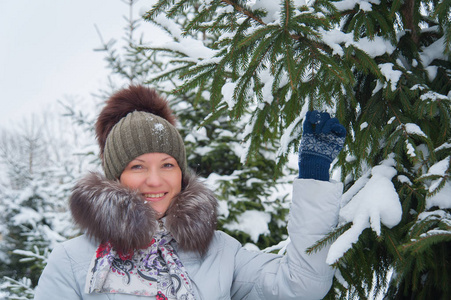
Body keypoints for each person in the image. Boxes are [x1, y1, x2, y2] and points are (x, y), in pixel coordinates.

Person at [34, 85, 346, 300]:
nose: (155, 181)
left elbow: (301, 286)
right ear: (115, 177)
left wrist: (314, 177)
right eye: (138, 167)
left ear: (182, 174)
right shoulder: (72, 261)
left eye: (167, 165)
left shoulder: (219, 252)